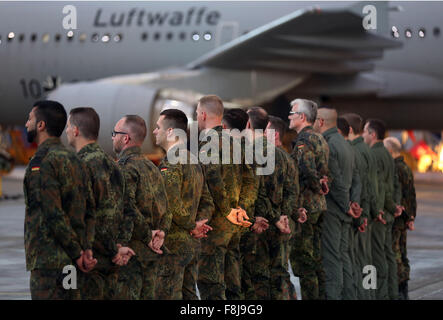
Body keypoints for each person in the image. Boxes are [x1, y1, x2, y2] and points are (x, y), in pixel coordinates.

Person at [24, 100, 96, 299]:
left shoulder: (42, 162)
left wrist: (75, 252)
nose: (26, 124)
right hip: (73, 261)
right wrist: (85, 249)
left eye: (30, 119)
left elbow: (52, 213)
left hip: (49, 263)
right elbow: (90, 209)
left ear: (41, 125)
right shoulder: (77, 161)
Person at [65, 107, 136, 299]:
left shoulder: (77, 166)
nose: (66, 131)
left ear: (76, 130)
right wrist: (119, 246)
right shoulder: (114, 165)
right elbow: (129, 210)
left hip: (87, 262)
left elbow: (82, 216)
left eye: (68, 126)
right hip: (112, 262)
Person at [196, 95, 256, 300]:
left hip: (215, 226)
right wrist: (241, 208)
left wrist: (228, 210)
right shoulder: (237, 143)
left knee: (211, 286)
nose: (197, 117)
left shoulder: (207, 142)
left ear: (203, 115)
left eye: (197, 113)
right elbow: (251, 180)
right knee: (233, 287)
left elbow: (212, 178)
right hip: (234, 226)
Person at [153, 108, 214, 299]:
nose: (155, 131)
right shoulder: (193, 160)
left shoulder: (172, 161)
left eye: (157, 127)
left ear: (170, 131)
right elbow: (208, 201)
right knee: (189, 296)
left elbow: (171, 202)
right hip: (192, 245)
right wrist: (199, 224)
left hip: (173, 244)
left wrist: (191, 226)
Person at [113, 115, 168, 300]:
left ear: (125, 138)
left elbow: (127, 207)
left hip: (133, 253)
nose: (113, 137)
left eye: (115, 134)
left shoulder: (124, 167)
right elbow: (164, 206)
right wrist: (159, 235)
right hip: (152, 254)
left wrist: (147, 236)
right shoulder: (151, 166)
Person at [314, 106, 362, 300]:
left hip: (334, 210)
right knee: (344, 258)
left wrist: (346, 205)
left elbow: (335, 180)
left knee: (332, 261)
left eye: (316, 119)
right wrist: (354, 203)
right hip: (345, 210)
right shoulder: (346, 145)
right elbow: (357, 179)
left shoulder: (329, 145)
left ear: (321, 122)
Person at [288, 99, 329, 300]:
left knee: (304, 263)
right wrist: (321, 184)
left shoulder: (304, 140)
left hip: (307, 207)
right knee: (316, 259)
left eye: (292, 113)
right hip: (319, 205)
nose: (289, 116)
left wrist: (316, 184)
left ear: (302, 117)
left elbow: (306, 168)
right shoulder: (320, 138)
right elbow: (323, 172)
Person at [266, 115, 307, 300]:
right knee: (281, 272)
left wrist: (279, 216)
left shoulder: (274, 158)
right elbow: (293, 192)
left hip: (277, 224)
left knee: (276, 274)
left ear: (274, 134)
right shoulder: (288, 158)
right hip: (285, 221)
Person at [362, 119, 402, 300]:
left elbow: (378, 187)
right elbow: (393, 184)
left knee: (374, 259)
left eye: (365, 131)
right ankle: (391, 293)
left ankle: (380, 295)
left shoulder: (374, 154)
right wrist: (394, 206)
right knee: (388, 256)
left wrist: (378, 209)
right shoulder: (386, 154)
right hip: (387, 213)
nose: (363, 135)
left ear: (373, 134)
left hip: (379, 215)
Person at [342, 112, 379, 300]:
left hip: (360, 213)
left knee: (359, 261)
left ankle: (364, 295)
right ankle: (370, 294)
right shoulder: (366, 150)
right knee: (367, 260)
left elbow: (361, 185)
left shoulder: (355, 151)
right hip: (367, 211)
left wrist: (360, 215)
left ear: (348, 130)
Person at [384, 137, 416, 300]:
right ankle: (403, 287)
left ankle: (398, 287)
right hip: (404, 218)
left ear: (390, 151)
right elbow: (411, 194)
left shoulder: (395, 168)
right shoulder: (406, 167)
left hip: (397, 218)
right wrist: (411, 217)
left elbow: (397, 194)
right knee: (402, 252)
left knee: (394, 251)